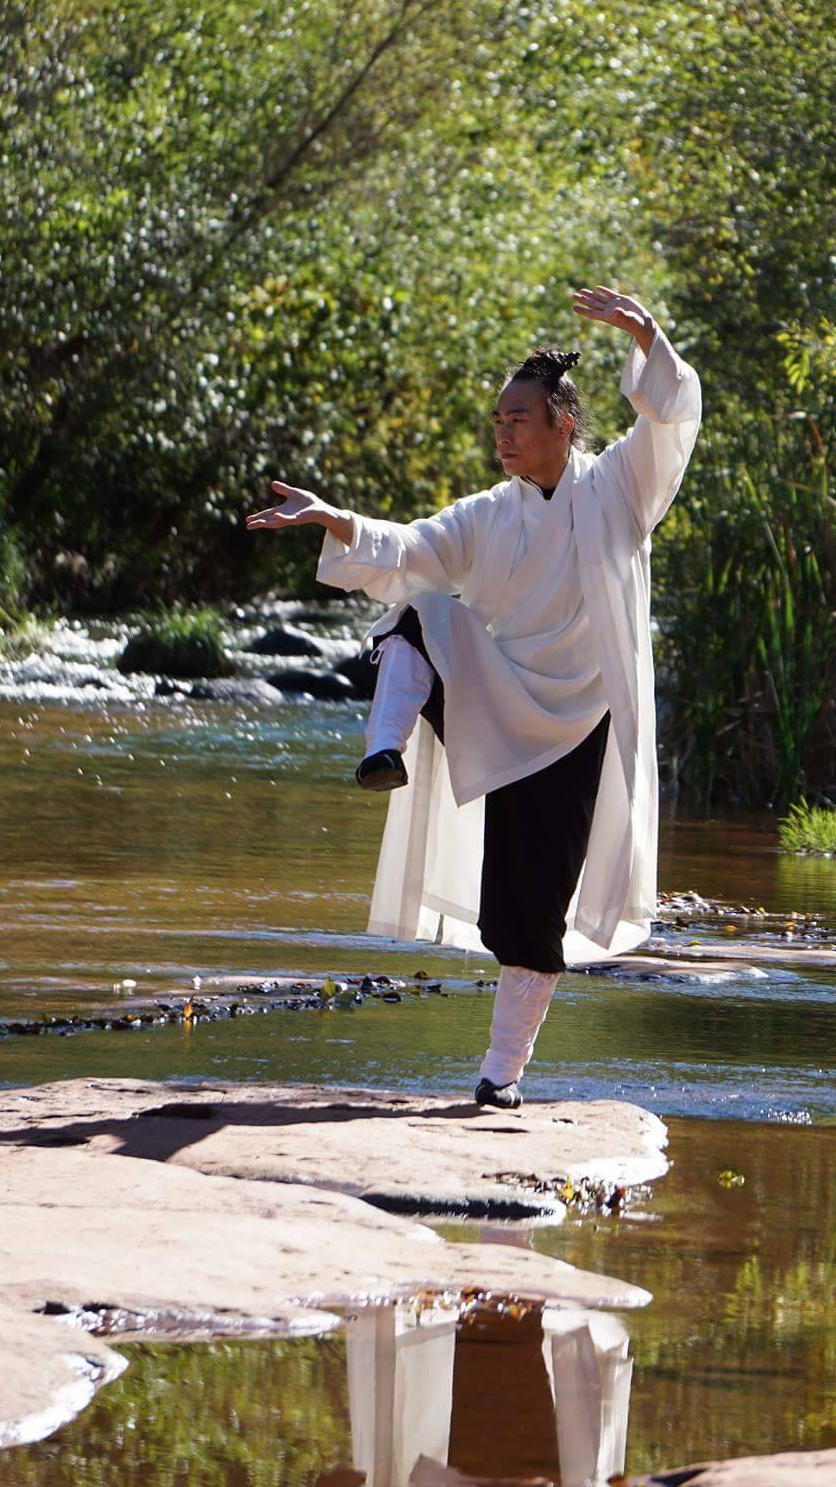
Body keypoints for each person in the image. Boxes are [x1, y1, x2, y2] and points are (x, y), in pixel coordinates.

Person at [246, 284, 701, 1107]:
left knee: (526, 916)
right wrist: (334, 520)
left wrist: (643, 333)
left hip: (578, 730)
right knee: (419, 611)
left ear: (564, 423)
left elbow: (668, 422)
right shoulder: (488, 513)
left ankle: (500, 1082)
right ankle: (381, 750)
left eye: (516, 419)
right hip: (499, 711)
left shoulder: (620, 490)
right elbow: (411, 547)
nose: (501, 433)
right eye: (496, 422)